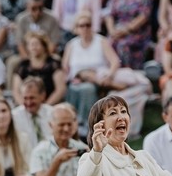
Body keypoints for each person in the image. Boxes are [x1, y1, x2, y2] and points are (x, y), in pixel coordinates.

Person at [62, 11, 152, 139]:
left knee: (92, 84)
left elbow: (114, 61)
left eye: (88, 25)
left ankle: (94, 125)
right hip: (80, 78)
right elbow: (65, 67)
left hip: (101, 76)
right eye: (81, 26)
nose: (85, 28)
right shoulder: (71, 45)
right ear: (76, 28)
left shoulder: (101, 41)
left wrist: (109, 75)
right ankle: (88, 125)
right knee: (86, 85)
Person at [104, 0, 152, 70]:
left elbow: (144, 15)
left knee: (123, 45)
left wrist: (126, 30)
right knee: (109, 42)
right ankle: (111, 72)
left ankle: (127, 72)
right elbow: (109, 13)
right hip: (118, 28)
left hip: (137, 30)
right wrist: (111, 30)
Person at [12, 31, 67, 106]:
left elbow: (60, 89)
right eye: (31, 44)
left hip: (50, 105)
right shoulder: (22, 65)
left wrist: (46, 106)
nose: (33, 47)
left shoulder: (54, 64)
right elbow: (16, 91)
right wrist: (25, 106)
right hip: (27, 106)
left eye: (36, 44)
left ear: (44, 46)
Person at [12, 76, 54, 153]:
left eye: (32, 98)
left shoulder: (53, 113)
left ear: (42, 96)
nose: (28, 102)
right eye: (25, 98)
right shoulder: (14, 116)